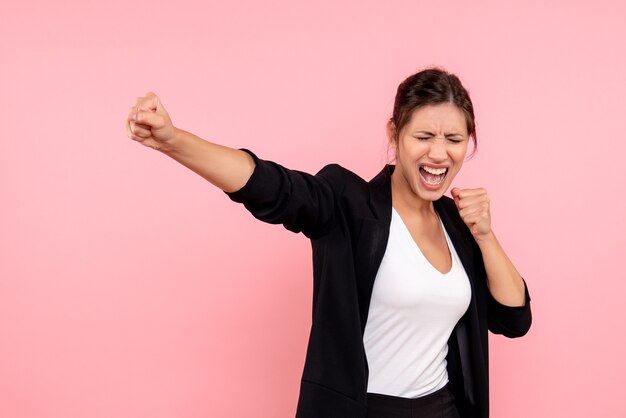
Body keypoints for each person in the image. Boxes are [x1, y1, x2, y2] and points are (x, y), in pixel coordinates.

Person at [126, 68, 532, 418]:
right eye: (423, 135)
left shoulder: (456, 224)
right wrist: (173, 141)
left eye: (455, 140)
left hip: (444, 408)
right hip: (364, 409)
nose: (439, 153)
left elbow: (514, 318)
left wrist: (484, 234)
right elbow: (274, 187)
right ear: (395, 133)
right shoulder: (348, 203)